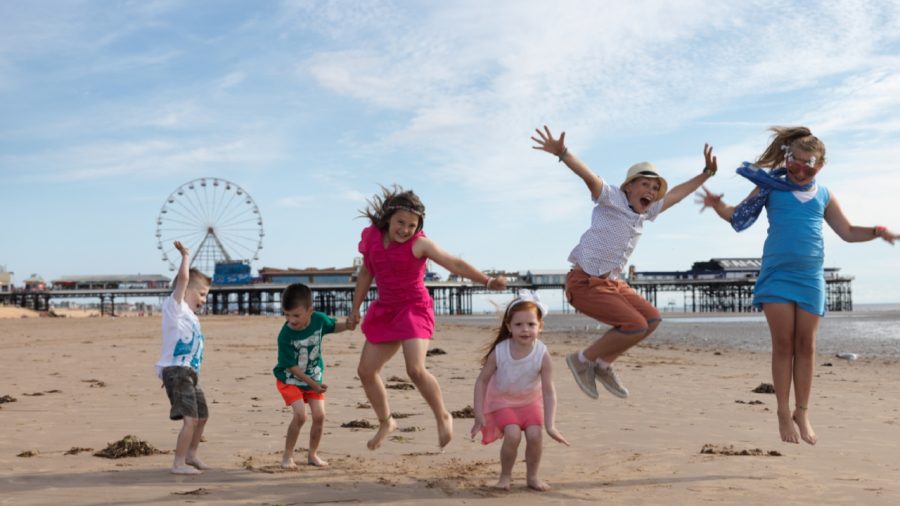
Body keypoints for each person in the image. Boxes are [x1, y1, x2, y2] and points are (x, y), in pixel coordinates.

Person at [696, 126, 899, 445]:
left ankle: (802, 412)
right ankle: (781, 411)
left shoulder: (824, 194)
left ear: (821, 166)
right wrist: (717, 205)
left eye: (809, 164)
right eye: (795, 162)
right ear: (787, 158)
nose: (800, 169)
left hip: (810, 278)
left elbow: (846, 231)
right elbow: (738, 216)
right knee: (784, 344)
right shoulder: (770, 187)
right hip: (777, 275)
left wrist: (877, 230)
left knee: (807, 346)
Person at [531, 125, 716, 400]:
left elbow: (676, 194)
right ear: (628, 186)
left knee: (652, 319)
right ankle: (583, 360)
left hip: (613, 284)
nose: (651, 191)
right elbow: (589, 177)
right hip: (585, 283)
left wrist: (706, 174)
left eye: (655, 188)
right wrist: (564, 153)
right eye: (645, 185)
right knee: (635, 325)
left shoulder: (645, 212)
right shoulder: (611, 197)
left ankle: (604, 364)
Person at [348, 185, 507, 450]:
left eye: (412, 225)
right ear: (388, 218)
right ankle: (386, 421)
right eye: (400, 222)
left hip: (413, 308)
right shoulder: (373, 239)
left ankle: (442, 415)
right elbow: (366, 274)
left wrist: (487, 281)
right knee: (366, 371)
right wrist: (355, 308)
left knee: (415, 369)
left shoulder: (420, 243)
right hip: (386, 309)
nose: (405, 229)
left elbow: (454, 263)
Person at [470, 290, 569, 491]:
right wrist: (478, 414)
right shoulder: (500, 351)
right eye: (518, 325)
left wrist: (550, 425)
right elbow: (482, 381)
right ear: (509, 327)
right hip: (503, 403)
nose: (525, 329)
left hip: (530, 403)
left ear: (540, 326)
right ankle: (505, 477)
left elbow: (549, 391)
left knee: (535, 435)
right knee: (513, 434)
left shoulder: (542, 354)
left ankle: (532, 477)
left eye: (531, 324)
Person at [273, 283, 350, 468]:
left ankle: (312, 455)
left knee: (320, 415)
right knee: (301, 416)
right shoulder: (285, 335)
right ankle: (287, 457)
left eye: (296, 315)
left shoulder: (319, 320)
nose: (291, 320)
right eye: (287, 314)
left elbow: (333, 327)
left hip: (313, 377)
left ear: (310, 311)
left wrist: (349, 325)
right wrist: (313, 384)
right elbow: (291, 367)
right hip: (289, 379)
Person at [155, 240, 212, 475]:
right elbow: (183, 279)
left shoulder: (191, 316)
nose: (204, 300)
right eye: (202, 294)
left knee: (202, 415)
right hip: (176, 371)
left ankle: (191, 454)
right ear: (187, 291)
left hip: (188, 373)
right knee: (190, 419)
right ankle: (178, 463)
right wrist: (185, 256)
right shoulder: (175, 307)